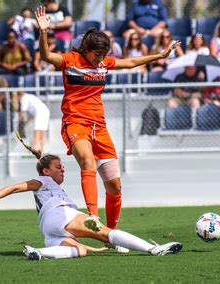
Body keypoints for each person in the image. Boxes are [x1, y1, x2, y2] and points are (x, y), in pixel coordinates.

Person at [34, 6, 181, 232]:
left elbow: (131, 62)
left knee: (114, 185)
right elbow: (45, 56)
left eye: (103, 55)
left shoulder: (104, 63)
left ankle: (111, 231)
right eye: (97, 54)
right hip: (75, 123)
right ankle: (93, 216)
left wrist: (160, 55)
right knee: (87, 161)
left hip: (99, 127)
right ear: (87, 49)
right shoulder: (70, 60)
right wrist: (44, 33)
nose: (101, 59)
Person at [0, 146, 183, 260]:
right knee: (104, 231)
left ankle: (38, 252)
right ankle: (153, 249)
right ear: (46, 171)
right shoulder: (44, 181)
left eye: (63, 167)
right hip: (61, 215)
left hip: (50, 231)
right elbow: (15, 187)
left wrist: (96, 250)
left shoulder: (51, 187)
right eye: (58, 167)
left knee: (79, 251)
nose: (62, 170)